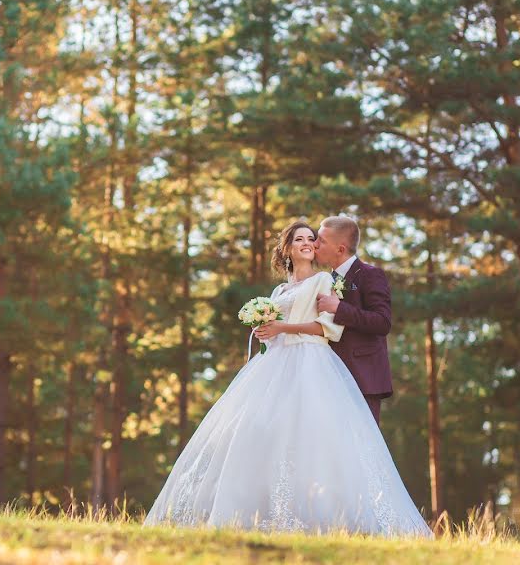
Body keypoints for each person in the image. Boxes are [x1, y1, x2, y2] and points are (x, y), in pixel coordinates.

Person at [143, 221, 431, 536]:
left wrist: (285, 327)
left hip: (320, 366)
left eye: (314, 238)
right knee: (262, 434)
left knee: (330, 446)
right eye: (303, 239)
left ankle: (341, 519)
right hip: (277, 366)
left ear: (338, 247)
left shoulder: (328, 280)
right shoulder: (279, 291)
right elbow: (277, 334)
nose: (311, 243)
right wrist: (265, 331)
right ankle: (258, 513)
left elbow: (334, 327)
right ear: (288, 248)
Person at [314, 216, 393, 424]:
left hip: (363, 377)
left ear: (340, 249)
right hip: (329, 376)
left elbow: (382, 322)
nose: (314, 244)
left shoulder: (370, 275)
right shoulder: (323, 281)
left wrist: (340, 308)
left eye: (321, 241)